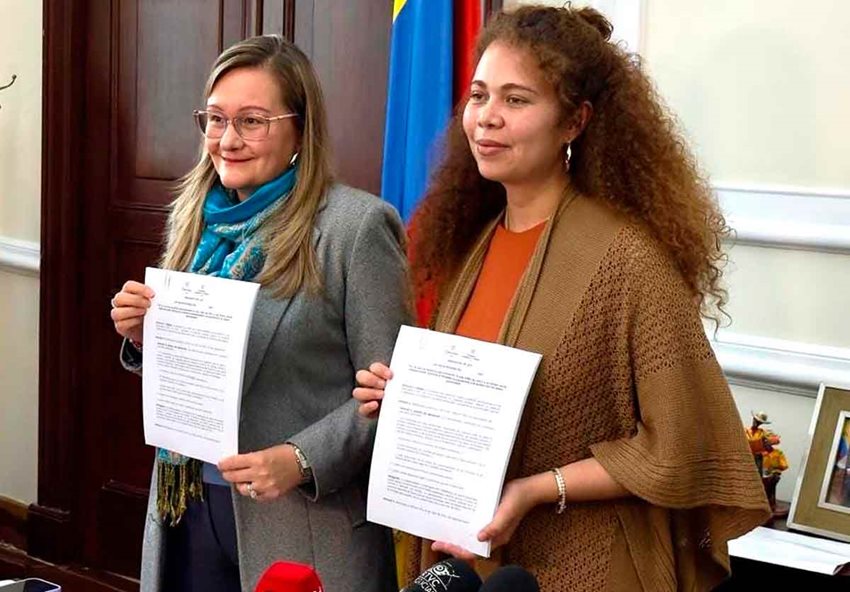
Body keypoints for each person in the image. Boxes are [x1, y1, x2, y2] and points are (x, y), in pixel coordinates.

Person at [354, 6, 769, 591]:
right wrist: (405, 401)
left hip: (589, 567)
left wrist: (535, 489)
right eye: (479, 95)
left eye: (516, 100)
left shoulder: (628, 260)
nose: (486, 119)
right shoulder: (472, 245)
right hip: (472, 567)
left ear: (574, 122)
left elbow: (683, 440)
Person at [110, 35, 409, 592]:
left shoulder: (354, 228)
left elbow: (392, 395)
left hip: (300, 526)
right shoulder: (195, 218)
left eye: (252, 121)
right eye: (216, 119)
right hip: (187, 509)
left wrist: (302, 458)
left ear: (300, 128)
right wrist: (144, 335)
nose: (227, 140)